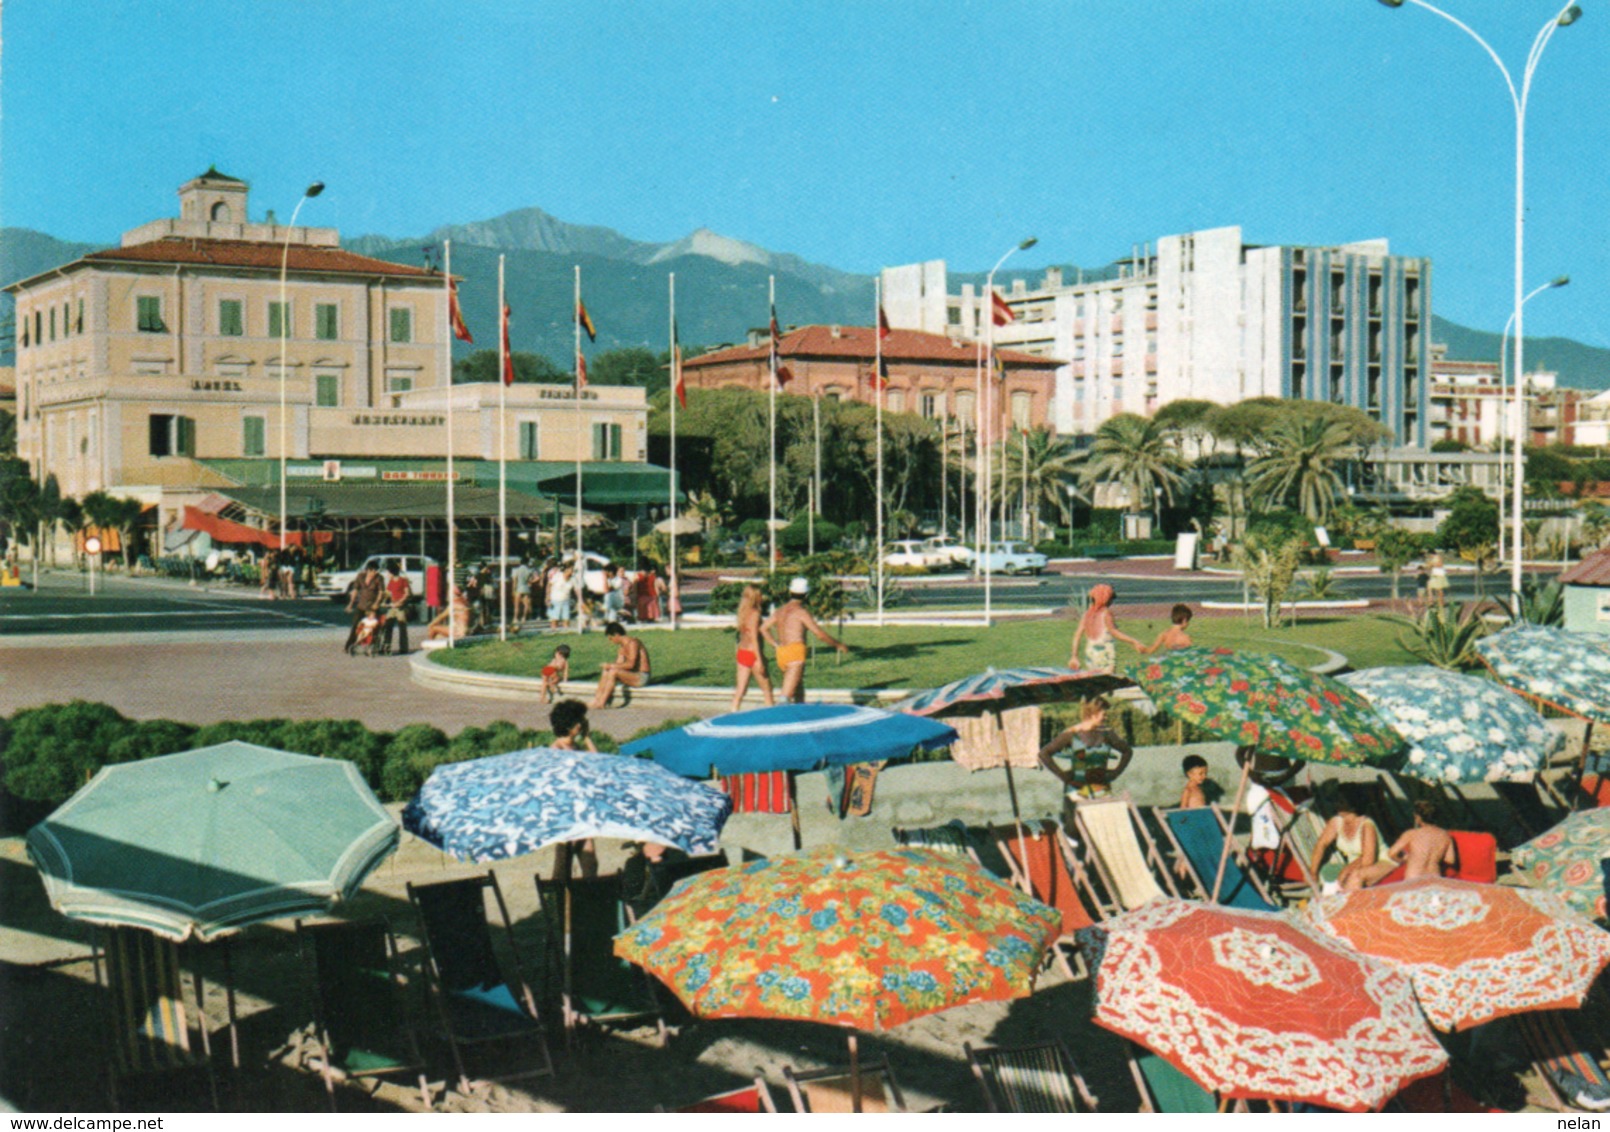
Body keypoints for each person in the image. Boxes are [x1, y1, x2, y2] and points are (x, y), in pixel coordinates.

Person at [762, 577, 850, 704]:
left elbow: (763, 628)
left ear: (790, 592)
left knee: (797, 687)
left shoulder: (780, 611)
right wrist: (838, 645)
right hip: (795, 652)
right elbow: (819, 634)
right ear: (806, 595)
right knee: (785, 698)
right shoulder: (801, 612)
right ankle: (782, 721)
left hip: (782, 652)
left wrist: (775, 644)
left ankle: (801, 716)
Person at [1037, 696, 1133, 800]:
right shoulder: (1071, 733)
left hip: (1101, 788)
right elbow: (1044, 753)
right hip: (1076, 790)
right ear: (1093, 713)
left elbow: (1127, 751)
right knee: (1080, 815)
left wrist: (1116, 773)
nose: (1106, 718)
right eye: (1104, 715)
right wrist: (1062, 776)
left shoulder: (1107, 733)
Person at [1350, 799, 1455, 889]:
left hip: (1414, 875)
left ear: (1417, 817)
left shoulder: (1412, 834)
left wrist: (1405, 859)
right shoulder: (1445, 836)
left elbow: (1391, 853)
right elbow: (1450, 860)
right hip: (1434, 876)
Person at [548, 698, 598, 880]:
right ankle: (560, 900)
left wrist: (587, 738)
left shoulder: (573, 746)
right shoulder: (556, 750)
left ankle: (588, 892)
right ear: (570, 724)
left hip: (579, 807)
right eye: (580, 720)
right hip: (565, 810)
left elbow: (596, 762)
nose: (583, 723)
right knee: (564, 861)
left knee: (589, 859)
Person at [1308, 784, 1382, 894]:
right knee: (1328, 873)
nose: (1336, 804)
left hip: (1377, 863)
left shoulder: (1367, 824)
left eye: (1341, 802)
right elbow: (1321, 845)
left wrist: (1345, 872)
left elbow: (1368, 860)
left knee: (1349, 881)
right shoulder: (1337, 821)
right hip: (1353, 866)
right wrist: (1313, 872)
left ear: (1353, 804)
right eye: (1336, 801)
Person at [1069, 584, 1142, 673]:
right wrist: (1133, 641)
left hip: (1090, 654)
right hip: (1104, 654)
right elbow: (1115, 632)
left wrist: (1074, 656)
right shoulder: (1105, 613)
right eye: (1110, 599)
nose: (1111, 602)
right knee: (1107, 680)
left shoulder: (1087, 614)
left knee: (1095, 680)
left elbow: (1077, 635)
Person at [731, 583, 777, 711]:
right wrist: (760, 660)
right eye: (760, 595)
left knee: (740, 690)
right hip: (754, 653)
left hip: (742, 652)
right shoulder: (755, 613)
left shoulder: (742, 613)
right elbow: (754, 639)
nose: (762, 597)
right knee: (767, 690)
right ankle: (771, 716)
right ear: (756, 597)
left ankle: (733, 713)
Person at [591, 622, 651, 709]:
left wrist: (611, 666)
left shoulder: (632, 643)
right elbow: (619, 663)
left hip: (641, 676)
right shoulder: (622, 646)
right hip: (632, 674)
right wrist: (609, 666)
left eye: (611, 638)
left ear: (616, 634)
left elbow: (631, 664)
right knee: (606, 670)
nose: (611, 641)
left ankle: (602, 703)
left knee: (613, 672)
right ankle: (596, 700)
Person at [343, 561, 386, 654]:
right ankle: (350, 645)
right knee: (356, 625)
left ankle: (373, 645)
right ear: (367, 570)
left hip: (372, 607)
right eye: (372, 570)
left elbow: (381, 592)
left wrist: (377, 603)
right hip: (361, 606)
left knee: (373, 627)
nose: (374, 573)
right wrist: (351, 604)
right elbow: (355, 590)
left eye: (376, 570)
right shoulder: (360, 577)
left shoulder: (379, 578)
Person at [381, 560, 412, 656]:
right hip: (392, 607)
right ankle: (386, 647)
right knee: (388, 626)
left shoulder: (403, 581)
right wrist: (383, 601)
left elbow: (407, 593)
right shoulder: (391, 582)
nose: (387, 574)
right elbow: (387, 593)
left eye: (388, 572)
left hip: (400, 607)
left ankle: (404, 648)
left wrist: (400, 602)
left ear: (392, 572)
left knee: (402, 627)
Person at [548, 564, 574, 629]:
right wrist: (547, 597)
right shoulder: (558, 576)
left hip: (566, 601)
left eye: (572, 570)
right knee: (554, 619)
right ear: (566, 570)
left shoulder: (572, 579)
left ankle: (566, 634)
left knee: (566, 619)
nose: (571, 572)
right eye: (570, 570)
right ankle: (554, 632)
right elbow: (549, 585)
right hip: (555, 600)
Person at [512, 558, 534, 629]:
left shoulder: (516, 570)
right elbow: (530, 580)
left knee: (517, 604)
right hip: (526, 587)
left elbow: (515, 580)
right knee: (526, 604)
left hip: (519, 587)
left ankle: (515, 618)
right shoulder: (529, 570)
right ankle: (524, 617)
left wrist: (513, 589)